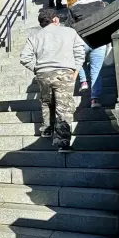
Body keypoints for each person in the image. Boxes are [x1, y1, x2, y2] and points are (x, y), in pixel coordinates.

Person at [19, 9, 85, 152]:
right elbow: (80, 51)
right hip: (64, 72)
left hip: (43, 73)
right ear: (55, 20)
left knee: (46, 101)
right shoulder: (69, 32)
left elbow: (24, 58)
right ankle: (62, 143)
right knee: (64, 107)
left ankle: (47, 128)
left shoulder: (34, 36)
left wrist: (36, 69)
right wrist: (76, 70)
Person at [70, 0, 108, 108]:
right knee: (96, 71)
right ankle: (94, 100)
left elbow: (69, 26)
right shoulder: (102, 5)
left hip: (81, 40)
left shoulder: (74, 7)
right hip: (99, 41)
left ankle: (83, 81)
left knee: (78, 61)